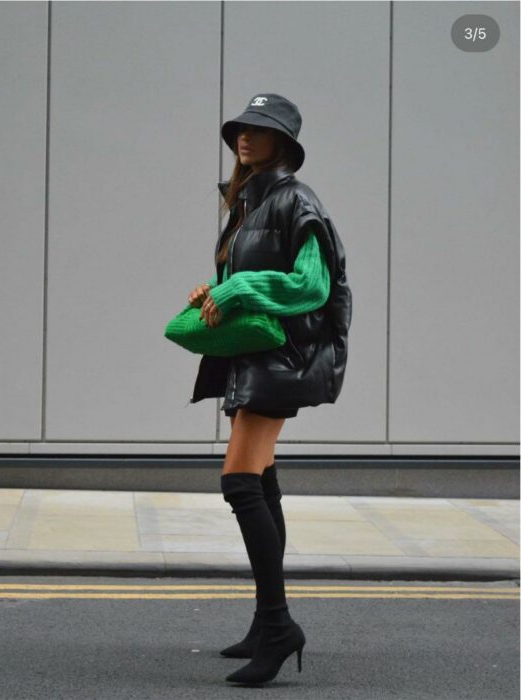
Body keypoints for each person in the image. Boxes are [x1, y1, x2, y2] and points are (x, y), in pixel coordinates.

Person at [187, 93, 352, 685]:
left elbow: (310, 286)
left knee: (239, 480)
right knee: (260, 479)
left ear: (284, 143)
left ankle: (280, 626)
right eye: (240, 130)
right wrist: (214, 289)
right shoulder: (249, 202)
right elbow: (249, 275)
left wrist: (238, 291)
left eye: (259, 130)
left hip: (280, 359)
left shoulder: (295, 200)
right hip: (255, 355)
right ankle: (266, 622)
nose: (245, 139)